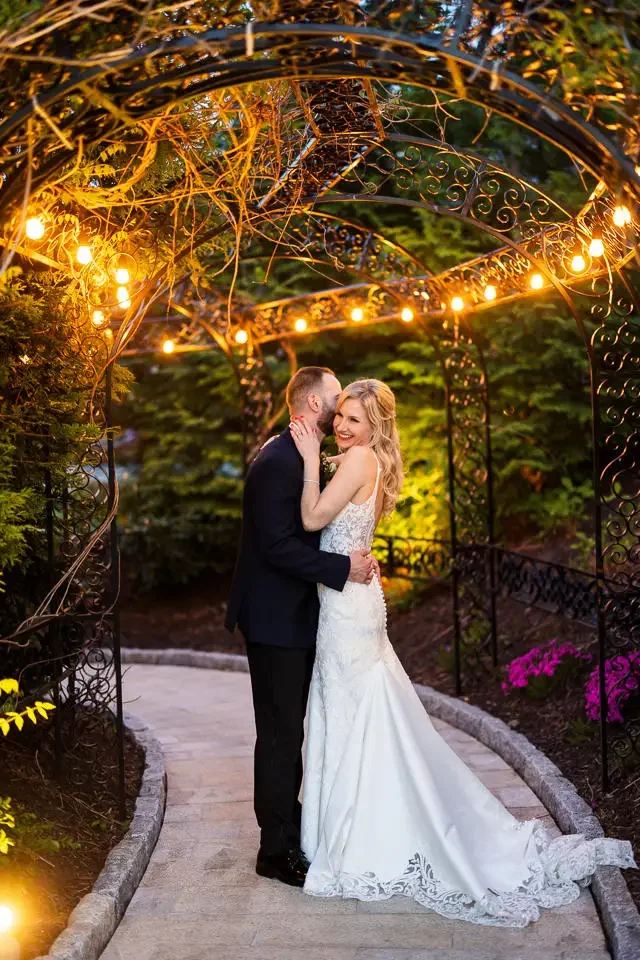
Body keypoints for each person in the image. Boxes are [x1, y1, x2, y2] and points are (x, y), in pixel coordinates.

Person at [288, 377, 636, 927]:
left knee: (354, 716)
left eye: (354, 419)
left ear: (375, 425)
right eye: (341, 417)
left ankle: (362, 836)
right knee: (355, 712)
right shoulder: (367, 460)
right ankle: (348, 826)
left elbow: (310, 520)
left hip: (348, 611)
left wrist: (310, 458)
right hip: (353, 601)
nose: (342, 426)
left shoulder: (355, 462)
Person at [225, 366, 375, 888]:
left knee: (291, 732)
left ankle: (292, 835)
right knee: (280, 735)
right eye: (336, 400)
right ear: (313, 405)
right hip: (273, 621)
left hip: (297, 616)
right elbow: (277, 546)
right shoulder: (278, 460)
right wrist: (342, 569)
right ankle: (275, 850)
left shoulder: (301, 455)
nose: (341, 408)